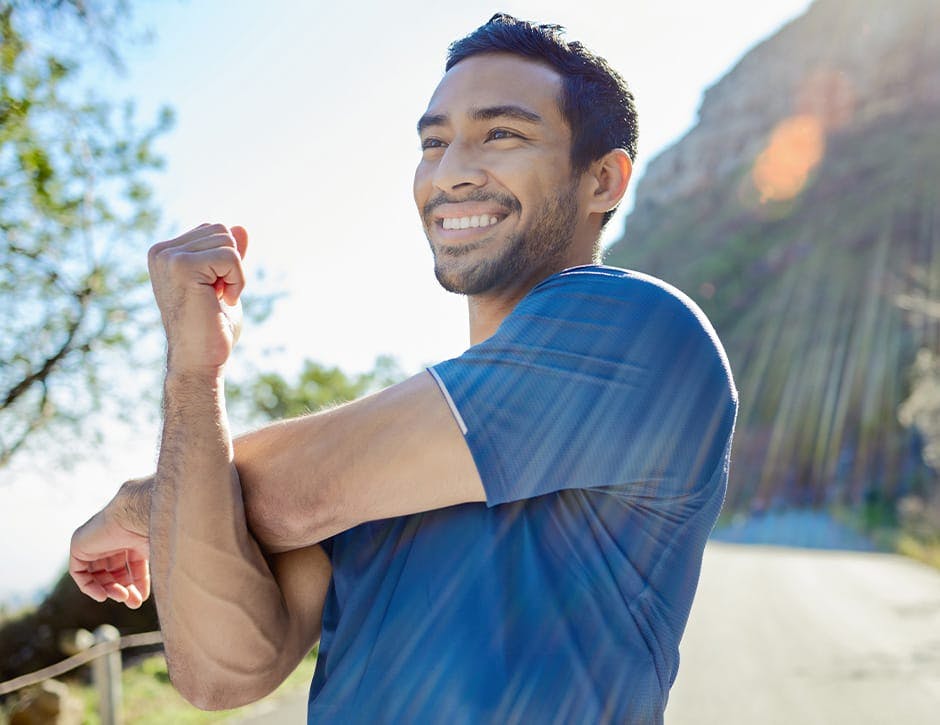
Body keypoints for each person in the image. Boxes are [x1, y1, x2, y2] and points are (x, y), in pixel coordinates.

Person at [69, 14, 736, 724]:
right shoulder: (386, 451)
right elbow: (219, 672)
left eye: (501, 133)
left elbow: (292, 496)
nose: (451, 172)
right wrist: (194, 373)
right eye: (434, 142)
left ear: (603, 178)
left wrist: (141, 505)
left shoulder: (635, 327)